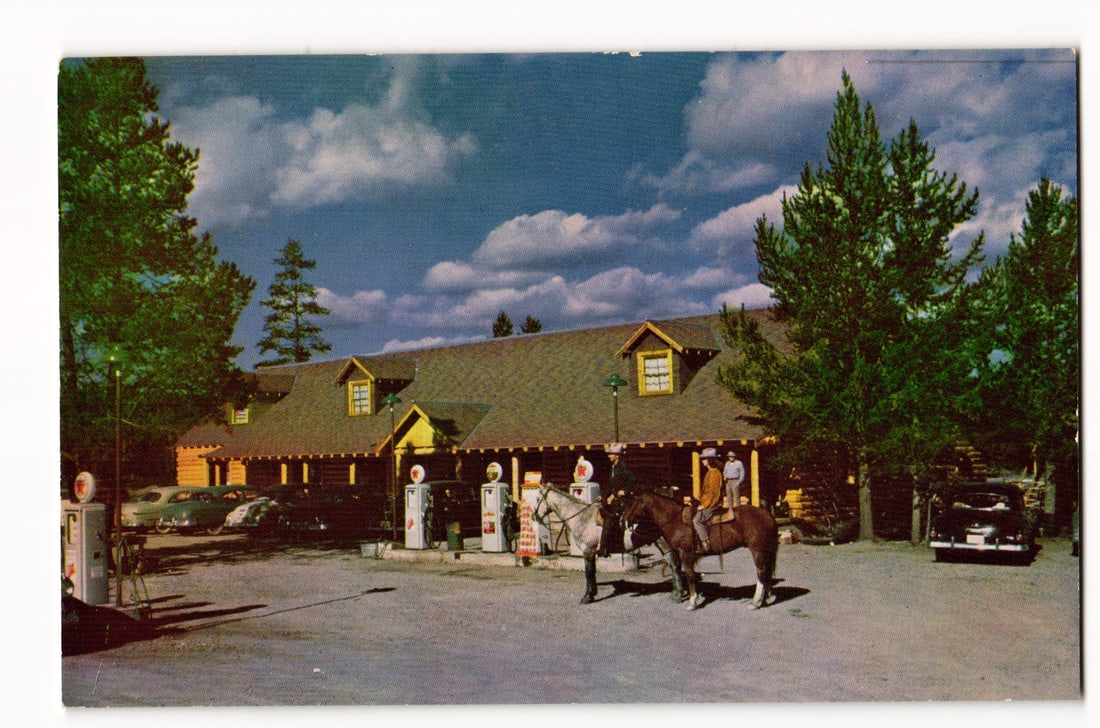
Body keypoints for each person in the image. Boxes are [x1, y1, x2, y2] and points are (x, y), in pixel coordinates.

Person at [597, 443, 635, 557]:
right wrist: (603, 495)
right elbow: (610, 485)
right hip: (614, 501)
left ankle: (604, 547)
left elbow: (632, 482)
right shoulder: (613, 468)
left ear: (617, 455)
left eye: (611, 454)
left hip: (623, 501)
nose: (609, 456)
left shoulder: (623, 468)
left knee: (610, 518)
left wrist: (624, 491)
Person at [693, 447, 724, 551]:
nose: (702, 461)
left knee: (697, 521)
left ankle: (706, 543)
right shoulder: (710, 472)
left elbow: (713, 492)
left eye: (704, 458)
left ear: (710, 460)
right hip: (707, 501)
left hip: (711, 504)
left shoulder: (714, 474)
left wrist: (704, 505)